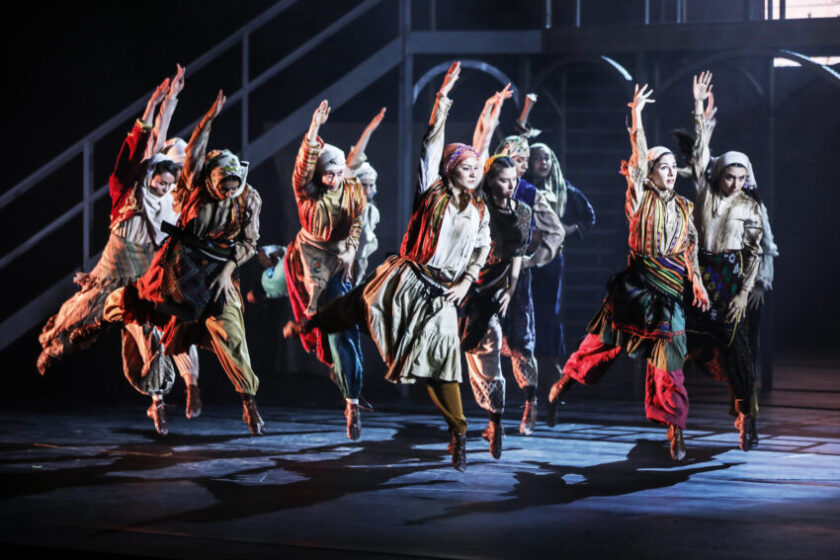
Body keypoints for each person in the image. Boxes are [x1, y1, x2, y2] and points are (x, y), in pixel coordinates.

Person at [283, 62, 493, 471]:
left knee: (443, 365)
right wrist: (443, 97)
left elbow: (482, 249)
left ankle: (459, 433)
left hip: (441, 294)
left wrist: (467, 281)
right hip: (408, 278)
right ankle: (310, 325)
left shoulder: (479, 211)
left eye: (476, 169)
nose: (473, 173)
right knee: (357, 306)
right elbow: (431, 143)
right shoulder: (431, 192)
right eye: (466, 167)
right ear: (451, 170)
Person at [547, 84, 710, 461]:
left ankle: (675, 428)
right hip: (635, 288)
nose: (671, 172)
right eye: (663, 167)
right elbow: (637, 156)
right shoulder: (639, 198)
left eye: (673, 167)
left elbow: (690, 246)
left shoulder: (684, 207)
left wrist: (697, 282)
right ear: (649, 174)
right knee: (599, 347)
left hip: (670, 292)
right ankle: (563, 384)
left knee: (670, 362)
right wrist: (636, 115)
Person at [37, 66, 201, 435]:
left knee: (150, 333)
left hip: (143, 273)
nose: (168, 182)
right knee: (81, 312)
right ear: (154, 170)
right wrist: (165, 101)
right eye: (165, 175)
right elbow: (152, 138)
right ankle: (53, 348)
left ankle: (158, 403)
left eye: (174, 176)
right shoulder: (134, 186)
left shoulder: (174, 202)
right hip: (113, 267)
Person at [104, 89, 265, 436]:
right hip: (178, 268)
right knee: (144, 317)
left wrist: (227, 271)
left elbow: (249, 242)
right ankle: (159, 394)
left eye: (233, 186)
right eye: (223, 186)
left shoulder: (247, 199)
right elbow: (189, 151)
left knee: (231, 336)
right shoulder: (190, 186)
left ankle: (247, 400)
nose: (228, 192)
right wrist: (206, 120)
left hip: (218, 273)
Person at [681, 71, 764, 451]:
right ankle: (673, 423)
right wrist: (699, 106)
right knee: (679, 347)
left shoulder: (750, 206)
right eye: (730, 176)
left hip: (731, 279)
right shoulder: (706, 191)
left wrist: (744, 293)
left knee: (739, 353)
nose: (735, 183)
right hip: (699, 275)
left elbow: (755, 251)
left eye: (741, 178)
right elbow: (700, 154)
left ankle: (747, 419)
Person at [283, 100, 369, 440]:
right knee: (275, 280)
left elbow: (357, 223)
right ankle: (261, 290)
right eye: (327, 174)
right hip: (305, 255)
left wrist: (350, 251)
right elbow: (302, 167)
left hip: (336, 261)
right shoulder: (306, 192)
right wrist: (314, 128)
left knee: (341, 328)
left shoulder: (353, 190)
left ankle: (352, 402)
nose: (333, 179)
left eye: (337, 172)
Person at [461, 155, 531, 458]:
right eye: (504, 180)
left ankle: (496, 422)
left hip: (499, 291)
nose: (511, 185)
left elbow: (518, 253)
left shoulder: (523, 211)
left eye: (514, 180)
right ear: (490, 180)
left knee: (490, 350)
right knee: (473, 353)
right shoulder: (478, 207)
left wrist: (510, 288)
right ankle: (492, 421)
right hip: (470, 287)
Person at [525, 141, 596, 424]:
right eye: (536, 158)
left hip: (551, 261)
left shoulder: (563, 188)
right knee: (523, 323)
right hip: (524, 259)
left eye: (546, 158)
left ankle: (552, 395)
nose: (542, 163)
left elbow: (589, 217)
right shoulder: (521, 186)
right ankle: (529, 397)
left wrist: (566, 230)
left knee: (546, 320)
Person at [348, 108, 386, 285]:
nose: (368, 190)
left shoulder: (371, 211)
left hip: (357, 265)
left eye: (371, 185)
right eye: (364, 185)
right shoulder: (346, 205)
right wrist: (368, 131)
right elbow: (353, 162)